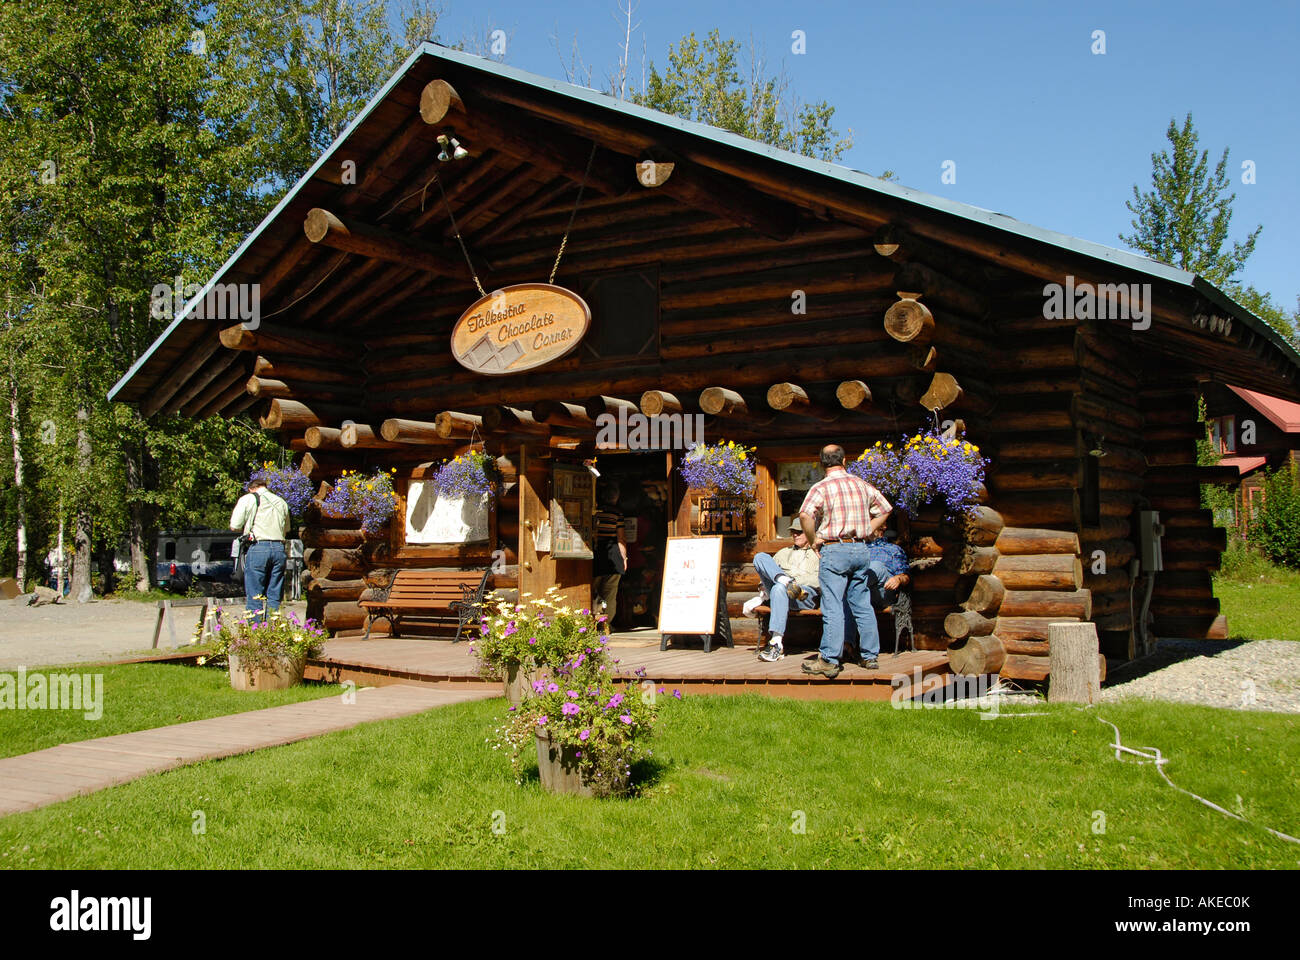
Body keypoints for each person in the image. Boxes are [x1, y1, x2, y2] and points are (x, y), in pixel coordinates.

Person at [796, 443, 892, 678]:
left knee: (833, 605)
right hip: (860, 549)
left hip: (834, 549)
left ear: (822, 463)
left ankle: (829, 659)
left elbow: (804, 514)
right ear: (845, 461)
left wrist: (813, 538)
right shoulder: (861, 484)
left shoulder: (821, 487)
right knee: (862, 604)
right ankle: (870, 657)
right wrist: (868, 529)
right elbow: (886, 509)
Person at [744, 525, 820, 662]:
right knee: (760, 557)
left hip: (804, 594)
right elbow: (768, 573)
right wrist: (763, 586)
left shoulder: (818, 553)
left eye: (799, 532)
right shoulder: (783, 553)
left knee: (779, 587)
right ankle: (784, 581)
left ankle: (776, 644)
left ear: (809, 533)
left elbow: (819, 579)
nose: (795, 535)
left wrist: (795, 582)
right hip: (780, 590)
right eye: (793, 532)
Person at [230, 477, 290, 619]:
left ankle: (256, 633)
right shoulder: (281, 502)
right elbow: (286, 529)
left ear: (251, 488)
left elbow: (235, 525)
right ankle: (273, 630)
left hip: (258, 547)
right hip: (278, 548)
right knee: (274, 595)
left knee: (255, 595)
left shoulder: (249, 499)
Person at [592, 480, 627, 631]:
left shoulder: (595, 511)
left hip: (596, 553)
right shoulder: (617, 513)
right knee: (610, 593)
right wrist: (624, 558)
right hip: (612, 555)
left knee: (593, 590)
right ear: (616, 497)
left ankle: (592, 621)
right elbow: (621, 538)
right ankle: (606, 624)